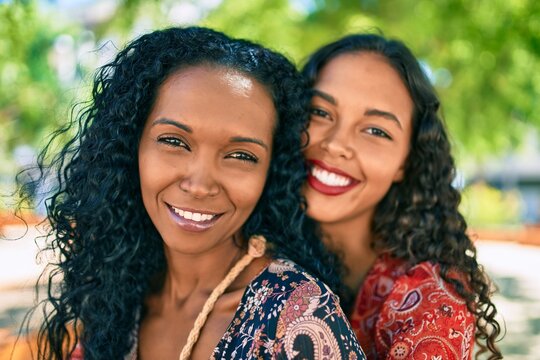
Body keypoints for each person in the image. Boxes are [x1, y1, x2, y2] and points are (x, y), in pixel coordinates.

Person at [23, 27, 365, 359]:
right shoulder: (119, 294)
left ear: (270, 172)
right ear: (132, 147)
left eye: (241, 155)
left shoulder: (296, 316)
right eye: (174, 141)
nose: (200, 184)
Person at [301, 33, 502, 359]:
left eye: (376, 131)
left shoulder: (431, 302)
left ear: (407, 162)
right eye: (320, 112)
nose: (336, 144)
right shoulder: (236, 247)